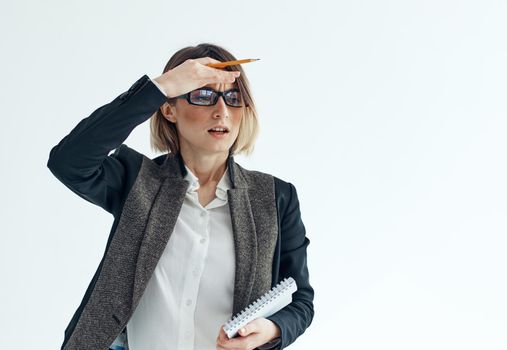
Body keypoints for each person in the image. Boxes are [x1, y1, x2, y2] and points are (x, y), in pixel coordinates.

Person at [47, 43, 314, 350]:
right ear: (169, 109)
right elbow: (69, 161)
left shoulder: (276, 198)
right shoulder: (137, 182)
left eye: (233, 97)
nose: (222, 111)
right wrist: (161, 86)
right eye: (202, 94)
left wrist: (272, 329)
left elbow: (301, 301)